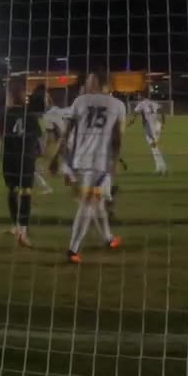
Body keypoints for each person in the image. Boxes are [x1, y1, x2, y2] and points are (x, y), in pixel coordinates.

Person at [58, 69, 125, 264]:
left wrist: (60, 160)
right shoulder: (118, 105)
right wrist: (115, 161)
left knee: (97, 202)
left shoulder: (80, 101)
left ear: (96, 82)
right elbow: (118, 138)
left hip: (84, 160)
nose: (87, 83)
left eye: (89, 80)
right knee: (89, 203)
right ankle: (73, 249)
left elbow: (67, 132)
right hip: (101, 162)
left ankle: (109, 239)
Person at [0, 78, 42, 247]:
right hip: (26, 159)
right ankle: (23, 233)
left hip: (9, 159)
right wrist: (37, 154)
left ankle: (17, 226)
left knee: (12, 189)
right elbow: (39, 143)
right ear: (22, 94)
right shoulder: (30, 116)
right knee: (26, 192)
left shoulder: (3, 115)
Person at [129, 95, 168, 175]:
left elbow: (135, 114)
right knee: (154, 148)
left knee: (154, 148)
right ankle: (160, 167)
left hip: (151, 129)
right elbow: (162, 111)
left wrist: (131, 121)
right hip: (158, 126)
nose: (137, 99)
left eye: (138, 97)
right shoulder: (153, 103)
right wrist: (163, 123)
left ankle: (162, 167)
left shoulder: (141, 104)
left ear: (140, 98)